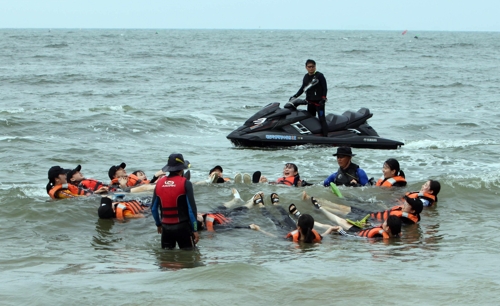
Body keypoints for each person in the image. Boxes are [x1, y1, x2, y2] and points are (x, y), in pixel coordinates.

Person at [151, 153, 199, 250]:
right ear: (182, 169)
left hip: (166, 228)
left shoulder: (159, 183)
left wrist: (158, 224)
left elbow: (153, 209)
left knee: (166, 259)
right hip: (183, 227)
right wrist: (195, 229)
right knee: (189, 258)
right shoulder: (186, 183)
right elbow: (191, 209)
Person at [289, 203, 402, 239]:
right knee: (338, 220)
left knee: (328, 226)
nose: (382, 224)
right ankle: (320, 208)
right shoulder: (396, 234)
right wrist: (368, 224)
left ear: (387, 228)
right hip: (360, 230)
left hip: (352, 234)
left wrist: (342, 232)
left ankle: (299, 216)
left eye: (385, 223)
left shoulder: (380, 237)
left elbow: (358, 239)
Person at [305, 192, 423, 226]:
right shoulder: (407, 213)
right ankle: (313, 199)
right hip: (371, 213)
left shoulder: (406, 220)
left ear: (412, 211)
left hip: (368, 219)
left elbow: (389, 224)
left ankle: (318, 207)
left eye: (407, 205)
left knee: (342, 211)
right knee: (343, 207)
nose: (404, 205)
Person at [290, 59, 328, 136]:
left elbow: (325, 88)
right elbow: (303, 88)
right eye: (309, 67)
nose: (311, 68)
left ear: (315, 67)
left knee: (322, 119)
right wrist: (295, 96)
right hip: (310, 103)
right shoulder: (306, 77)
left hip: (319, 103)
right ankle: (313, 135)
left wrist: (323, 98)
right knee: (310, 119)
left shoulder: (319, 76)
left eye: (312, 67)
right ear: (306, 67)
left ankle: (326, 136)